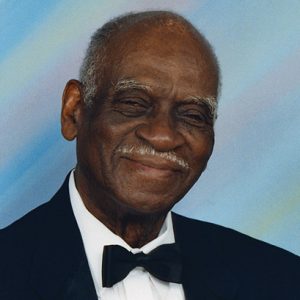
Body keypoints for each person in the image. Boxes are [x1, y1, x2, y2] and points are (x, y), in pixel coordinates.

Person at [0, 11, 299, 300]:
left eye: (193, 115)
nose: (163, 136)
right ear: (74, 111)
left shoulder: (280, 278)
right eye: (133, 103)